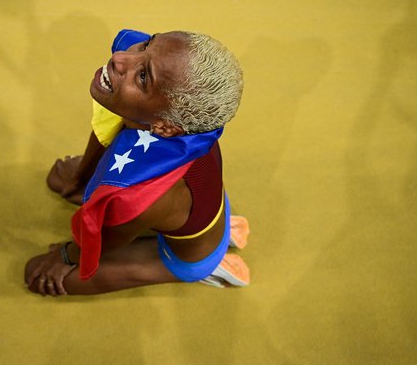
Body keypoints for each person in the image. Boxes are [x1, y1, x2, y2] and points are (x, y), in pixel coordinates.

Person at [25, 29, 250, 296]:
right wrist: (80, 179)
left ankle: (211, 267)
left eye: (143, 76)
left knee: (37, 274)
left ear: (165, 127)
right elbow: (110, 125)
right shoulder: (177, 117)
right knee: (62, 179)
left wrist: (65, 256)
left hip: (186, 254)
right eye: (146, 45)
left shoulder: (143, 195)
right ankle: (216, 233)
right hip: (201, 205)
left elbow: (104, 240)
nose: (120, 58)